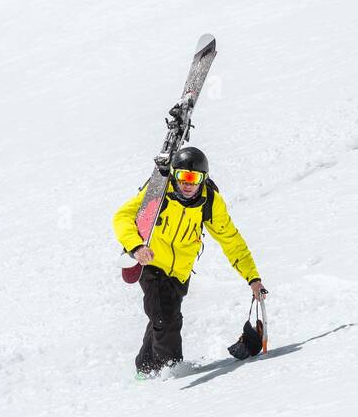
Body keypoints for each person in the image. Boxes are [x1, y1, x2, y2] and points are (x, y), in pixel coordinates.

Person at [113, 145, 265, 376]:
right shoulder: (158, 193)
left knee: (162, 316)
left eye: (194, 178)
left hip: (180, 274)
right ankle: (172, 371)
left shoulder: (210, 202)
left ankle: (145, 369)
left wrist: (252, 278)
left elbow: (231, 241)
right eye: (182, 177)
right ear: (174, 175)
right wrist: (136, 246)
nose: (187, 184)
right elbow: (123, 217)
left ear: (203, 179)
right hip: (151, 263)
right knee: (166, 318)